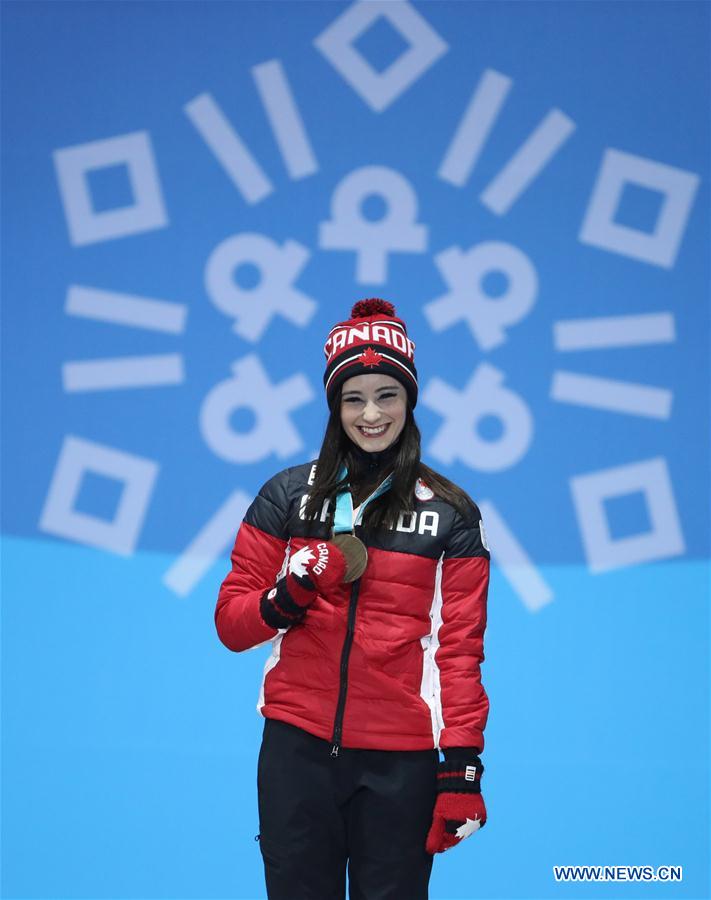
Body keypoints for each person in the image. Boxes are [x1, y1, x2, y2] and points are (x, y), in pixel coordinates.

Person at [215, 298, 491, 900]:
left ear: (410, 401)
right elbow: (233, 625)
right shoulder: (286, 496)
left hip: (401, 764)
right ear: (334, 405)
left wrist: (462, 767)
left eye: (387, 395)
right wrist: (288, 593)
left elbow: (459, 651)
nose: (371, 414)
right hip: (297, 751)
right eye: (353, 398)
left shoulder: (451, 514)